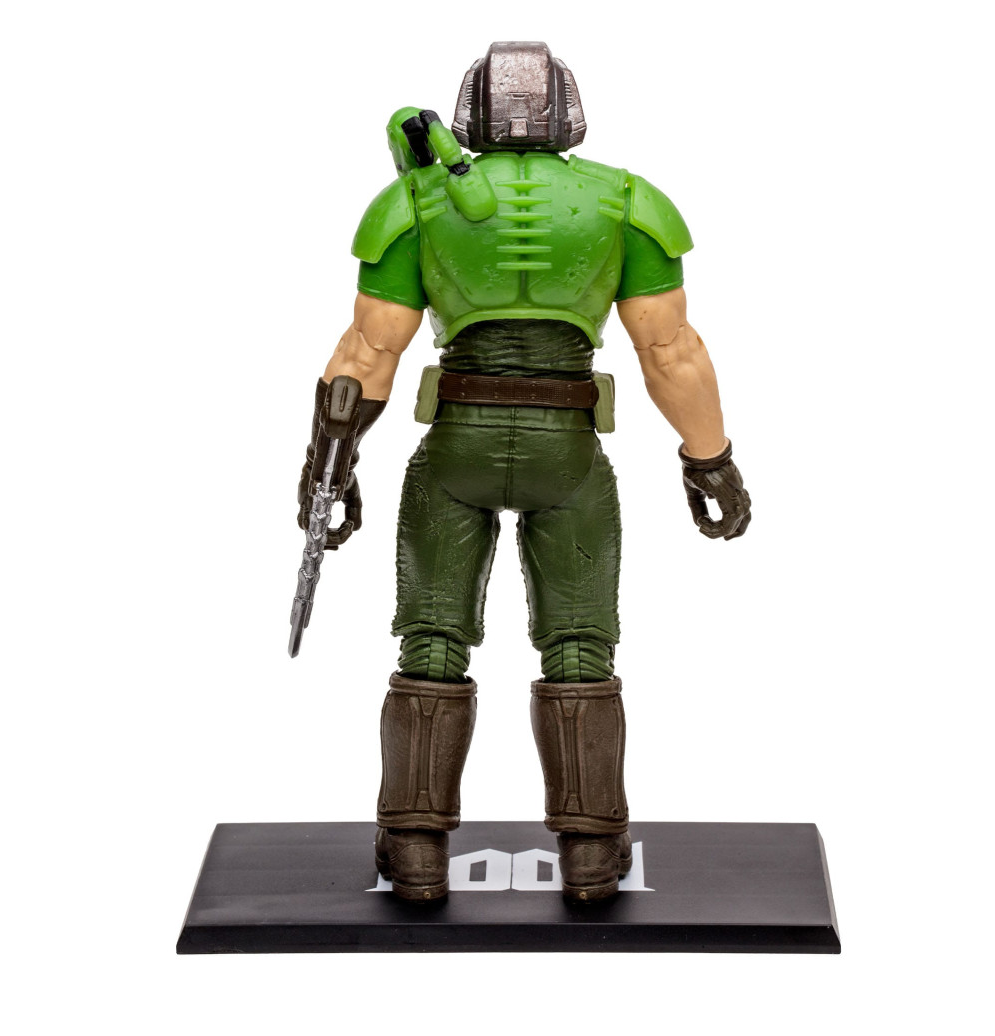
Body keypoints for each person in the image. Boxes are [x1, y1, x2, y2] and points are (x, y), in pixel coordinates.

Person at [298, 42, 751, 903]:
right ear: (568, 112)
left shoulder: (416, 203)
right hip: (566, 451)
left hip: (456, 446)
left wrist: (329, 462)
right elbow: (671, 351)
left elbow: (368, 353)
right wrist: (711, 459)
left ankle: (415, 847)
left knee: (431, 639)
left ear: (468, 111)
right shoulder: (625, 202)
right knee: (580, 643)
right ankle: (590, 853)